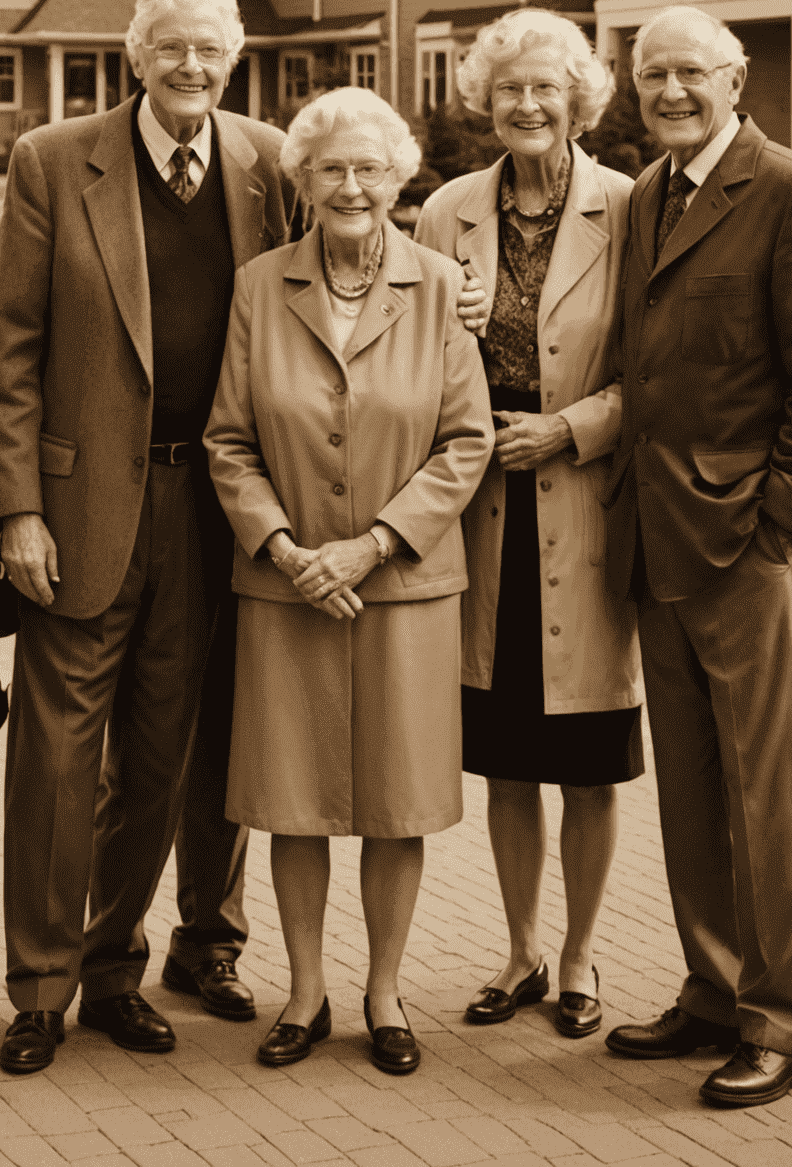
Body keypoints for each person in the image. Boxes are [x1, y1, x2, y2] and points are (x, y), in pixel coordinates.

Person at [0, 0, 294, 1075]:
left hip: (214, 507)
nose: (192, 68)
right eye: (173, 49)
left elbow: (323, 294)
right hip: (81, 511)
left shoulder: (268, 163)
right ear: (136, 56)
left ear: (234, 58)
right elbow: (9, 350)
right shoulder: (54, 161)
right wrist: (15, 508)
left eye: (210, 50)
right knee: (59, 759)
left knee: (162, 758)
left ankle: (114, 966)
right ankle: (38, 986)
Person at [600, 6, 792, 1107]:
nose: (671, 90)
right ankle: (714, 991)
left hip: (752, 549)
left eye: (691, 73)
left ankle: (784, 1021)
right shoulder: (649, 196)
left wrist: (781, 528)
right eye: (653, 73)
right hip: (659, 546)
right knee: (694, 793)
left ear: (736, 78)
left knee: (769, 800)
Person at [206, 87, 493, 1075]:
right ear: (303, 181)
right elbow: (229, 441)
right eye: (331, 167)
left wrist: (371, 545)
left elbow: (467, 442)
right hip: (285, 589)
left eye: (370, 167)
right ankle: (306, 990)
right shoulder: (259, 287)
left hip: (403, 588)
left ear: (399, 177)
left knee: (394, 801)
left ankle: (383, 992)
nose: (353, 185)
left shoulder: (440, 284)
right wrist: (285, 548)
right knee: (295, 797)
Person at [417, 10, 641, 1041]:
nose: (528, 105)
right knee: (507, 757)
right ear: (486, 102)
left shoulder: (632, 213)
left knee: (588, 762)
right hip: (482, 519)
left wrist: (570, 429)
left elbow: (663, 375)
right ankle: (519, 952)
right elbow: (409, 361)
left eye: (546, 88)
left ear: (579, 99)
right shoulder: (446, 211)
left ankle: (585, 958)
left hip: (584, 515)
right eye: (509, 89)